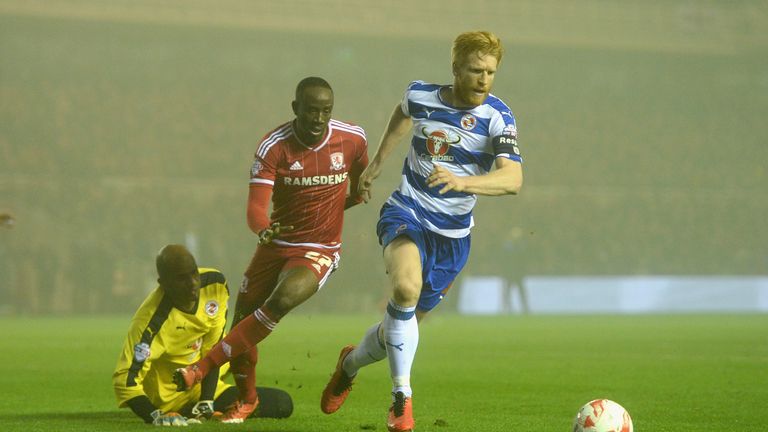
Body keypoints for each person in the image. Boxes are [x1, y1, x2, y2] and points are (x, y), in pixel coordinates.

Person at [320, 31, 524, 432]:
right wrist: (377, 164)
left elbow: (513, 178)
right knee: (405, 289)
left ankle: (349, 364)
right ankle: (401, 400)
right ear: (455, 68)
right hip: (407, 211)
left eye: (490, 72)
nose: (484, 79)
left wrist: (466, 183)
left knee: (402, 324)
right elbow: (403, 114)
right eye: (475, 70)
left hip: (453, 238)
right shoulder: (422, 94)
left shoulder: (498, 116)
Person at [173, 76, 369, 423]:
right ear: (295, 108)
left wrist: (344, 203)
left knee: (281, 299)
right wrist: (264, 230)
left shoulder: (351, 139)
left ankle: (201, 368)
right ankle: (246, 401)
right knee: (242, 328)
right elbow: (255, 210)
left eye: (326, 111)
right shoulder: (274, 147)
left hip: (319, 248)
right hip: (276, 244)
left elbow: (360, 184)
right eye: (311, 110)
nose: (319, 119)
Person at [113, 244, 293, 426]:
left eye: (193, 273)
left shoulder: (215, 285)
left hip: (207, 385)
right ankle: (181, 409)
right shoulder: (150, 323)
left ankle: (199, 408)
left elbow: (213, 348)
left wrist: (206, 402)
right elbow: (125, 381)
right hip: (170, 399)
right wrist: (154, 415)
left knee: (282, 403)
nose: (192, 283)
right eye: (182, 278)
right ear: (163, 283)